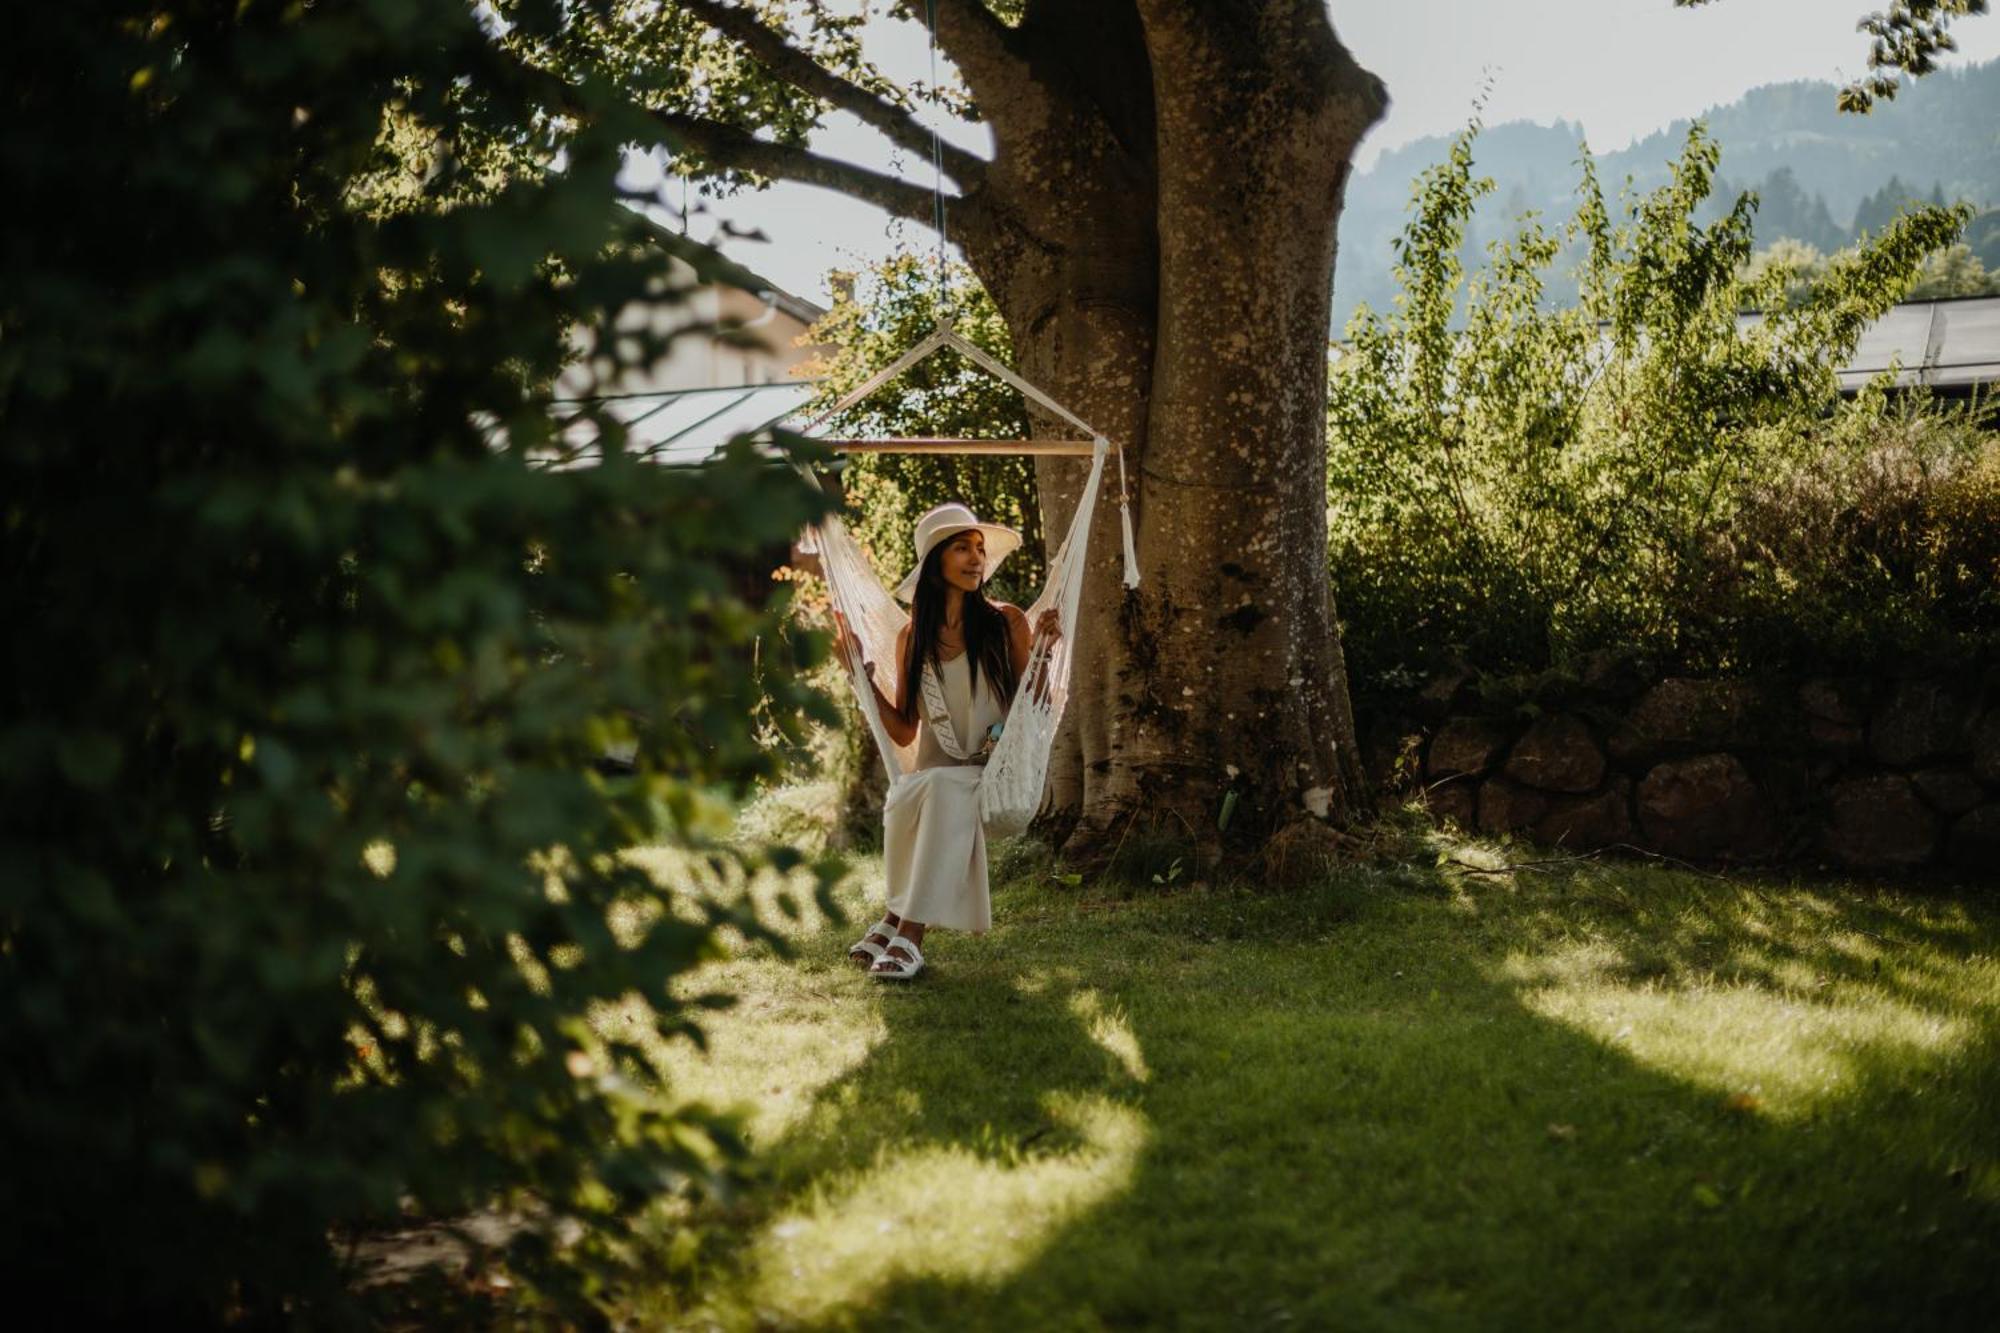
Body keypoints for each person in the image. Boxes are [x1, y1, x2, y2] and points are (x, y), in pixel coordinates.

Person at [830, 503, 1059, 981]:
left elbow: (1028, 707)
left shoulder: (1006, 623)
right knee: (916, 791)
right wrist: (859, 676)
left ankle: (908, 934)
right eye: (962, 548)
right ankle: (894, 921)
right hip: (930, 777)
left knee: (943, 790)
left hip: (989, 773)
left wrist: (1043, 655)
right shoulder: (912, 639)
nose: (977, 558)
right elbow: (903, 730)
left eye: (979, 549)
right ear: (936, 560)